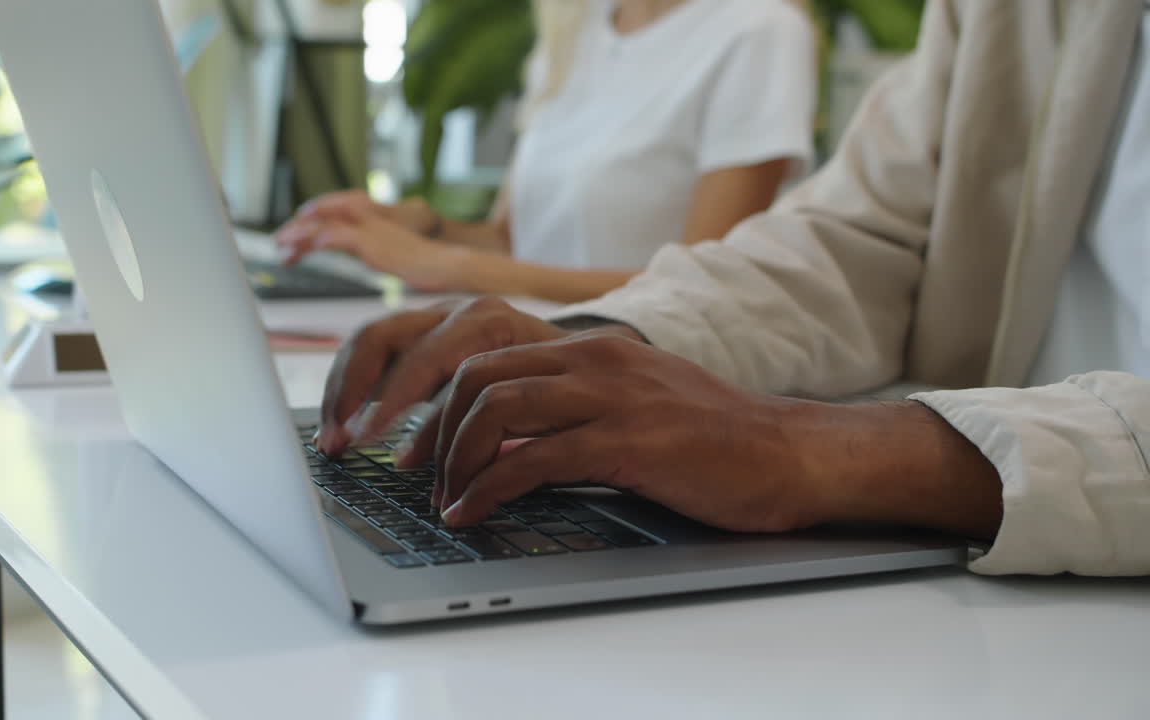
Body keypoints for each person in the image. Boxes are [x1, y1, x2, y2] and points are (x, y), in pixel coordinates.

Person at [313, 0, 1150, 577]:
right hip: (995, 592)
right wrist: (603, 339)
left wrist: (818, 450)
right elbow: (864, 238)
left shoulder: (754, 29)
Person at [275, 0, 816, 303]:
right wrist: (419, 227)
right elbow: (515, 240)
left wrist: (445, 264)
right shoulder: (576, 24)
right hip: (523, 352)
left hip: (638, 381)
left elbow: (704, 289)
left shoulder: (761, 32)